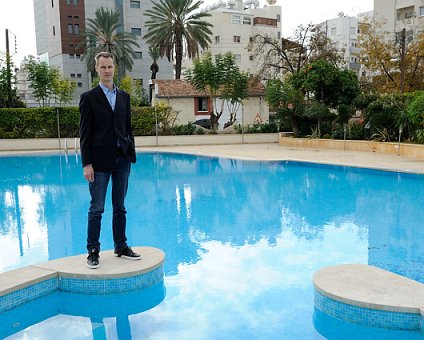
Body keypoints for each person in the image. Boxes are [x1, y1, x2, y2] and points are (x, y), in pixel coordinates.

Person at [79, 51, 140, 269]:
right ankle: (93, 250)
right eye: (103, 67)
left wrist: (130, 148)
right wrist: (87, 164)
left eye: (110, 67)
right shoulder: (89, 98)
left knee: (120, 206)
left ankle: (120, 246)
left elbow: (127, 126)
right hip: (99, 162)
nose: (107, 71)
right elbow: (84, 133)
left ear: (115, 68)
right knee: (97, 208)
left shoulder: (124, 96)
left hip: (122, 159)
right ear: (96, 69)